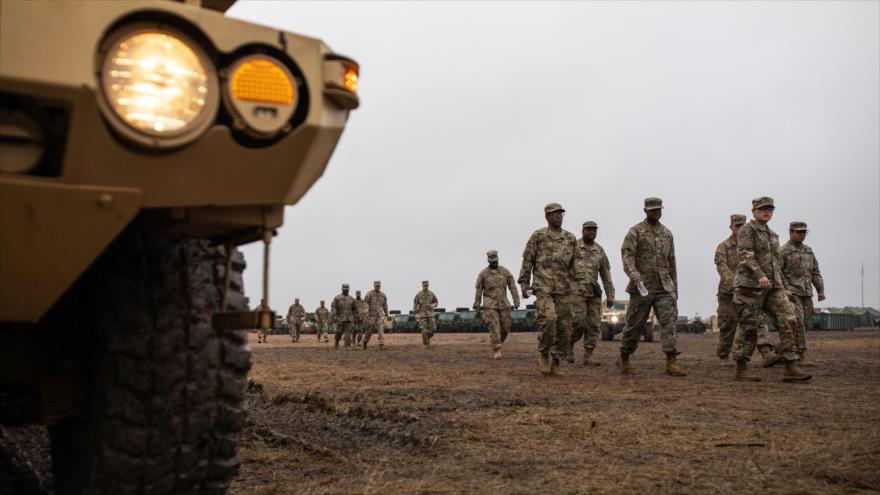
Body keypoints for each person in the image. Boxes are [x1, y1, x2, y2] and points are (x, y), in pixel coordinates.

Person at [731, 197, 811, 382]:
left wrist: (782, 285)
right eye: (762, 209)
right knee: (749, 327)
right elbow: (745, 256)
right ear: (754, 211)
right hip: (750, 287)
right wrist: (759, 275)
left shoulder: (773, 235)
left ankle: (791, 365)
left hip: (773, 287)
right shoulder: (746, 230)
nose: (766, 212)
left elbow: (776, 264)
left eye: (769, 209)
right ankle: (741, 367)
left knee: (789, 319)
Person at [617, 197, 684, 376]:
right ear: (645, 210)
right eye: (653, 209)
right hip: (642, 287)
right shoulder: (635, 232)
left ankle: (671, 361)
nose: (656, 212)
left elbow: (672, 262)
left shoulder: (667, 234)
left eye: (659, 209)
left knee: (669, 323)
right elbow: (627, 255)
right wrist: (633, 274)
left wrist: (674, 289)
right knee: (634, 325)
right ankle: (624, 357)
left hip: (664, 287)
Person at [518, 202, 586, 376]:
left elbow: (577, 264)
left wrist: (583, 283)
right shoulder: (538, 236)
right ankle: (543, 355)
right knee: (548, 320)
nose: (558, 216)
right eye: (554, 214)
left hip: (564, 288)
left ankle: (556, 362)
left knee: (565, 327)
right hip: (543, 287)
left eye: (561, 214)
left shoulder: (570, 238)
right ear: (547, 217)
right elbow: (528, 259)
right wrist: (524, 283)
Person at [714, 215, 781, 367]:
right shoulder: (723, 246)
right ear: (731, 227)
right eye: (736, 226)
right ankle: (724, 356)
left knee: (758, 321)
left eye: (741, 225)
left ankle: (766, 353)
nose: (739, 228)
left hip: (750, 292)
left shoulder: (755, 243)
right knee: (728, 325)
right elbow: (722, 268)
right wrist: (735, 284)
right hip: (728, 293)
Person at [569, 221, 615, 366]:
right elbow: (562, 267)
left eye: (594, 230)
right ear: (583, 231)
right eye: (589, 230)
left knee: (594, 325)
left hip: (594, 292)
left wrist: (610, 295)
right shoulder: (573, 247)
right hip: (576, 291)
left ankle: (589, 355)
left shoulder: (600, 251)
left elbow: (606, 274)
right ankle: (569, 345)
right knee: (578, 322)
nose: (592, 233)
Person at [780, 221, 825, 366]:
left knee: (806, 324)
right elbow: (778, 273)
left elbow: (815, 272)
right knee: (798, 322)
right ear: (790, 232)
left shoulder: (808, 251)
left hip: (807, 294)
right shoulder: (783, 251)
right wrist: (786, 289)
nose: (802, 235)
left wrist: (820, 290)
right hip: (792, 294)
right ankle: (802, 354)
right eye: (799, 232)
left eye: (804, 232)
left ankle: (783, 350)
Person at [473, 250, 521, 359]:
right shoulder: (483, 274)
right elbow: (479, 290)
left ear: (498, 259)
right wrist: (477, 303)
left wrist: (516, 300)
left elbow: (512, 287)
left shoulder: (505, 272)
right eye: (491, 261)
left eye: (495, 261)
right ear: (488, 261)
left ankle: (497, 342)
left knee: (506, 327)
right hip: (489, 304)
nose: (493, 263)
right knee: (494, 326)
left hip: (504, 303)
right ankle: (497, 349)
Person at [363, 280, 389, 349]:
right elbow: (365, 305)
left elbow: (385, 305)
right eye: (376, 285)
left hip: (380, 316)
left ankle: (381, 344)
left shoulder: (383, 295)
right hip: (371, 316)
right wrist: (366, 314)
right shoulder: (369, 294)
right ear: (374, 285)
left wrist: (386, 314)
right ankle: (365, 342)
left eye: (379, 285)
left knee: (381, 330)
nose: (378, 287)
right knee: (369, 331)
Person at [331, 283, 357, 348]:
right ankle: (336, 341)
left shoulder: (351, 299)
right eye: (345, 289)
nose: (346, 290)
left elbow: (354, 309)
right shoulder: (337, 298)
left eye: (347, 289)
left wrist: (355, 317)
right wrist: (334, 316)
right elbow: (334, 307)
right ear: (342, 289)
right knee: (339, 333)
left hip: (349, 319)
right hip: (340, 319)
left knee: (348, 335)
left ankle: (347, 346)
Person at [413, 281, 438, 347]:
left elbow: (436, 302)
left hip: (430, 314)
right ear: (422, 286)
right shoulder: (418, 295)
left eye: (427, 285)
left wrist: (433, 305)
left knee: (434, 329)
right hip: (422, 315)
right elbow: (415, 305)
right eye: (424, 285)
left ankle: (428, 336)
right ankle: (426, 344)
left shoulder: (432, 294)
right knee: (424, 330)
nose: (426, 287)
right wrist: (416, 314)